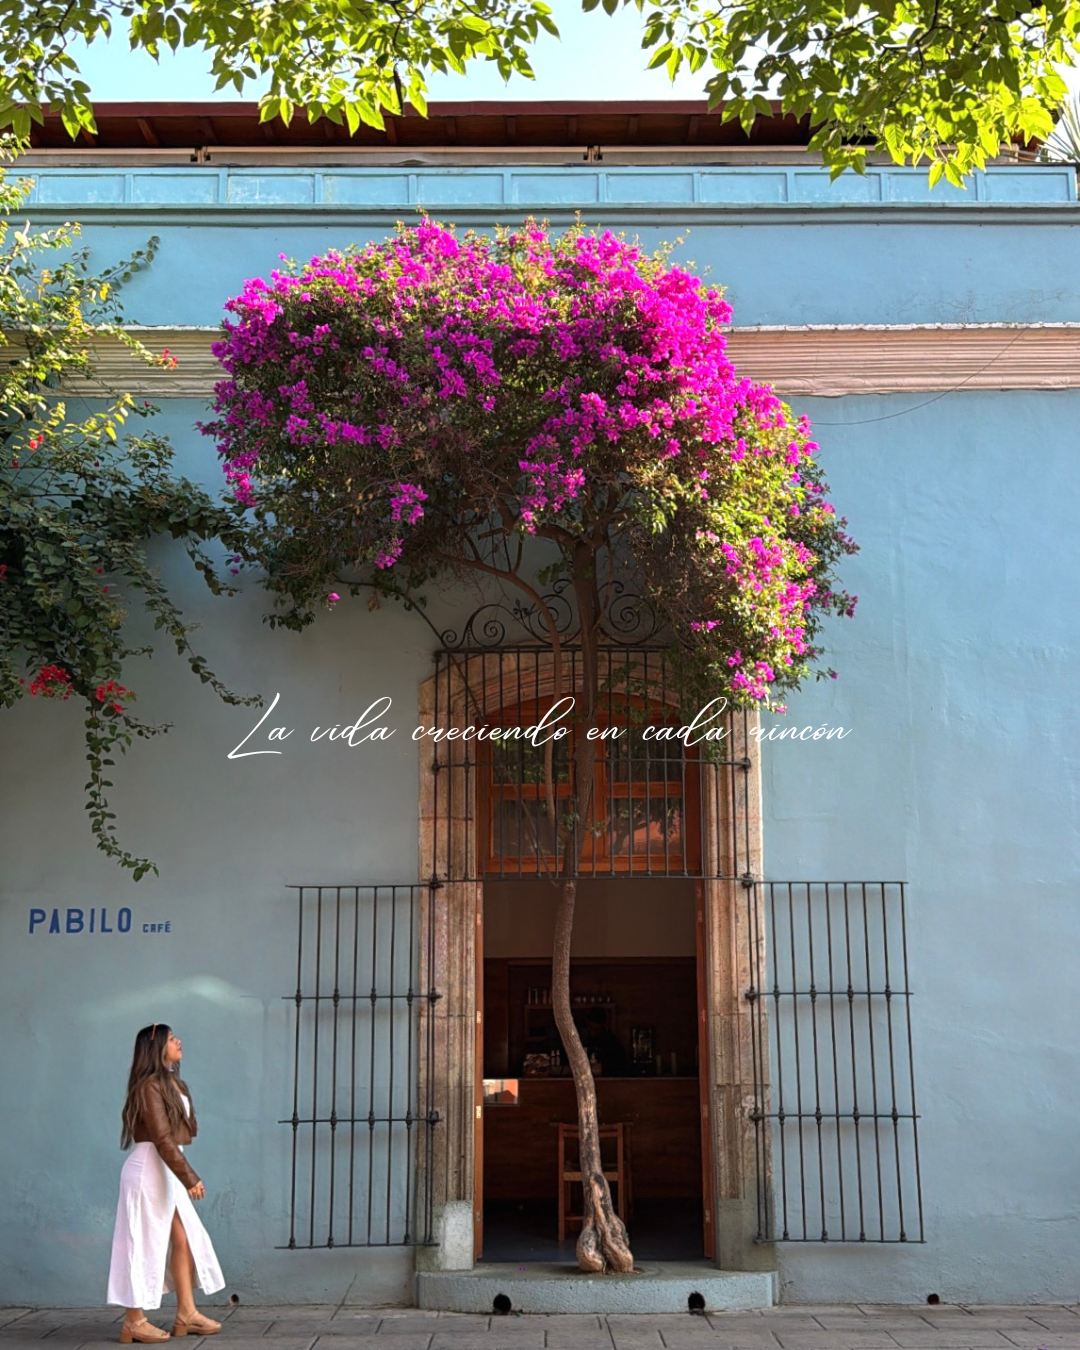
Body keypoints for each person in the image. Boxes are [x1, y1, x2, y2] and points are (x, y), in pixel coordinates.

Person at [107, 1024, 225, 1343]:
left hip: (166, 1170)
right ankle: (133, 1320)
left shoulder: (170, 1082)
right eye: (172, 1039)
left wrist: (180, 1174)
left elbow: (177, 1135)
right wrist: (190, 1177)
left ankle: (186, 1313)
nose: (179, 1041)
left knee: (184, 1238)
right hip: (149, 1171)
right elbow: (161, 1138)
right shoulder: (149, 1087)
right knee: (142, 1242)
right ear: (158, 1047)